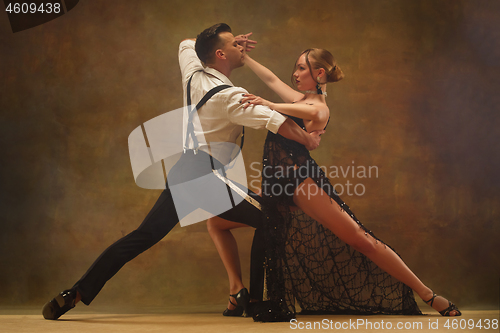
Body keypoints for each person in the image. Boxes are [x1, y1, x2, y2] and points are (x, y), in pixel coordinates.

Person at [41, 23, 323, 320]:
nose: (240, 48)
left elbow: (187, 43)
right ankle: (258, 303)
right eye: (233, 46)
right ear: (219, 54)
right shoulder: (231, 96)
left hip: (183, 172)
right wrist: (308, 139)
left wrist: (225, 41)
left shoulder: (193, 73)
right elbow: (277, 121)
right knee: (272, 216)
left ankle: (75, 293)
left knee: (142, 235)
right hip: (204, 175)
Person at [207, 46, 461, 320]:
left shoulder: (319, 108)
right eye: (296, 67)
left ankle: (427, 294)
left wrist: (268, 104)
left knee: (362, 240)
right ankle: (239, 290)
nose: (294, 73)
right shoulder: (300, 99)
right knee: (216, 221)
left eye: (302, 68)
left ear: (319, 73)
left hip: (300, 180)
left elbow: (297, 110)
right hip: (275, 183)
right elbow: (270, 80)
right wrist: (246, 59)